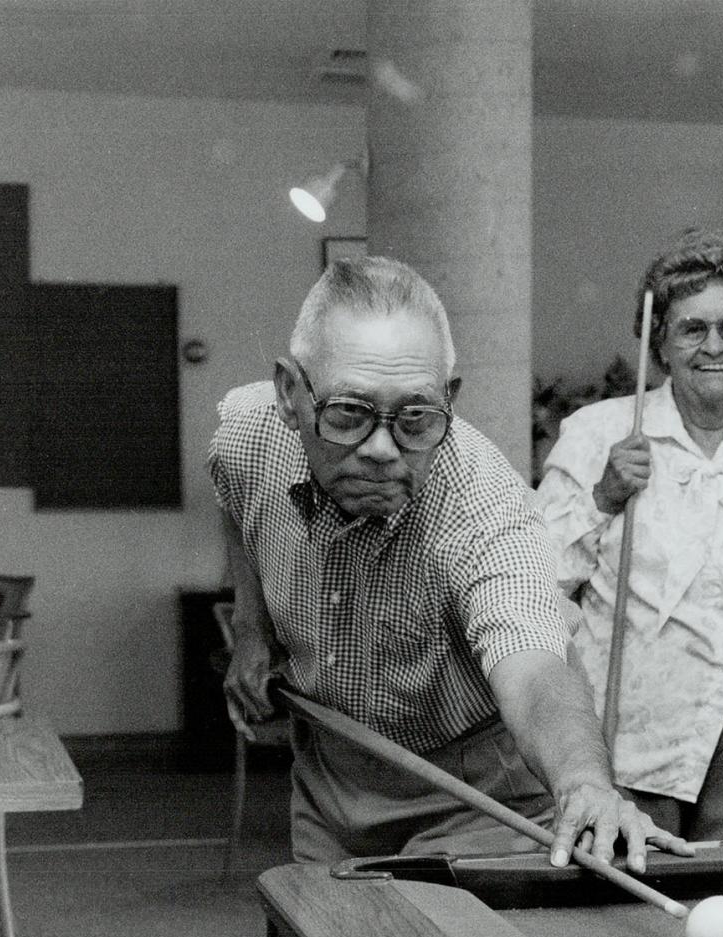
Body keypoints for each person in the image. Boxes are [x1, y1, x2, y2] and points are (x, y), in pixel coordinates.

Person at [209, 254, 687, 872]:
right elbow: (232, 494)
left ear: (449, 401)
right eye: (349, 414)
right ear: (290, 394)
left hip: (479, 798)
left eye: (415, 417)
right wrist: (252, 630)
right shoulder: (247, 436)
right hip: (332, 774)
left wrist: (584, 784)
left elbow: (536, 666)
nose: (382, 449)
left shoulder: (484, 506)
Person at [533, 227, 723, 841]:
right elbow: (535, 574)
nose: (714, 346)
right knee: (623, 921)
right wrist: (603, 497)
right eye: (693, 328)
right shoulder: (597, 432)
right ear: (660, 342)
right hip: (631, 738)